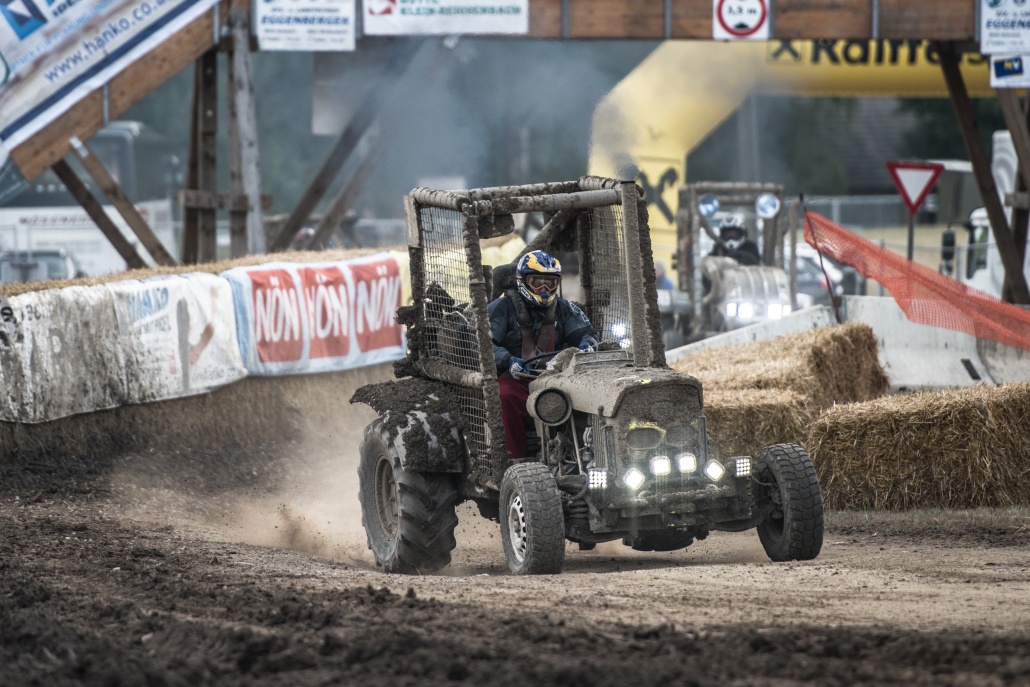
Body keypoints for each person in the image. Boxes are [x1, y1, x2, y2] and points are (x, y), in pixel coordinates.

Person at [489, 250, 599, 460]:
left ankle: (581, 456)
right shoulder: (501, 308)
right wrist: (508, 360)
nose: (544, 289)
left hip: (558, 378)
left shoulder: (565, 308)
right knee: (504, 395)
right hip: (517, 378)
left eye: (550, 283)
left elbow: (587, 333)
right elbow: (485, 344)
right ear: (522, 281)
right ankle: (515, 459)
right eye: (537, 282)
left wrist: (588, 345)